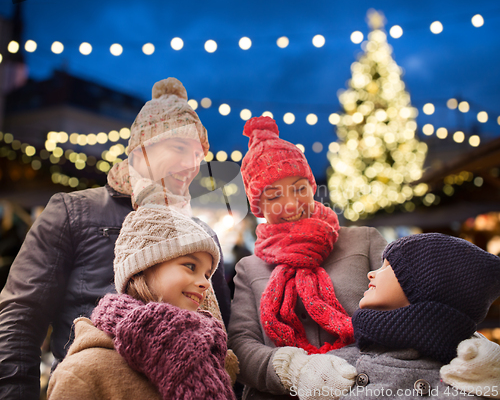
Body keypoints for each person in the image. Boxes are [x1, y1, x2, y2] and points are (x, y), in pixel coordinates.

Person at [0, 77, 231, 400]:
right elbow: (19, 322)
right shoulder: (73, 212)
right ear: (140, 152)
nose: (192, 163)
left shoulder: (202, 235)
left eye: (198, 153)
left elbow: (224, 335)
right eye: (178, 147)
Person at [227, 116, 388, 399]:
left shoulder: (364, 240)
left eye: (299, 189)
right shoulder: (249, 268)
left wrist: (352, 366)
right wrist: (295, 371)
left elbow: (405, 306)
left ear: (312, 188)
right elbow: (241, 344)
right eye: (274, 196)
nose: (291, 204)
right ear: (259, 206)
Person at [272, 233, 500, 399]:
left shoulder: (473, 379)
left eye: (388, 266)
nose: (372, 273)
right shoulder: (336, 369)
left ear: (428, 286)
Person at [47, 204, 238, 400]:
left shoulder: (210, 354)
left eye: (207, 274)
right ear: (143, 267)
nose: (206, 283)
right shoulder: (83, 372)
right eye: (190, 266)